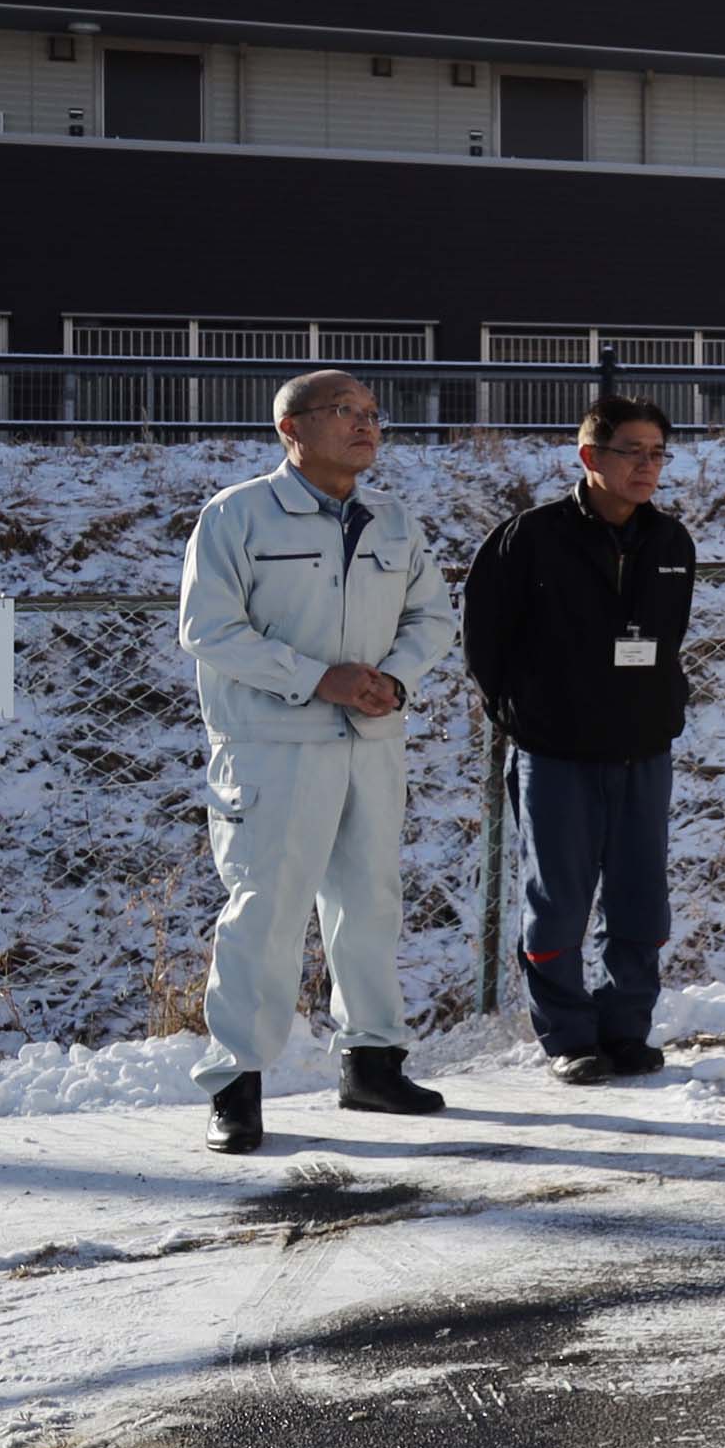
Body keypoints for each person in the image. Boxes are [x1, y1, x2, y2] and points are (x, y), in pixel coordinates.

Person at [177, 368, 461, 1154]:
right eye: (346, 412)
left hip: (370, 741)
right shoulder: (237, 516)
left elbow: (432, 615)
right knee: (265, 912)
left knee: (369, 903)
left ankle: (371, 1061)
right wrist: (316, 679)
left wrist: (395, 676)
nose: (366, 424)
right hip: (273, 748)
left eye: (373, 413)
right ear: (291, 428)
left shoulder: (393, 520)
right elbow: (208, 628)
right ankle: (235, 1084)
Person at [462, 394, 701, 1086]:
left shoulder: (671, 543)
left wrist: (660, 709)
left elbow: (668, 642)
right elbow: (485, 642)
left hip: (643, 751)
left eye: (658, 453)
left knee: (640, 898)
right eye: (633, 452)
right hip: (557, 755)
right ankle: (568, 1035)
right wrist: (525, 716)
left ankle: (626, 1028)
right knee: (558, 899)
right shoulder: (528, 538)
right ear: (590, 457)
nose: (648, 467)